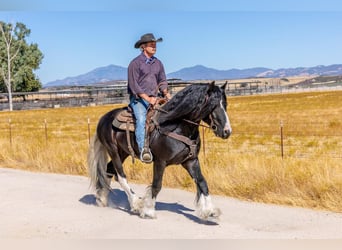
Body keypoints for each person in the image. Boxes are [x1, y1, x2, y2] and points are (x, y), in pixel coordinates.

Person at [127, 33, 171, 163]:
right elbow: (134, 85)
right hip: (139, 100)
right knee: (141, 120)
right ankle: (143, 150)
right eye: (151, 44)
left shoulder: (158, 63)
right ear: (143, 47)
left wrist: (166, 93)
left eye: (155, 44)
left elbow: (162, 80)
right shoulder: (135, 64)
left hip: (155, 97)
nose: (154, 46)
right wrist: (148, 99)